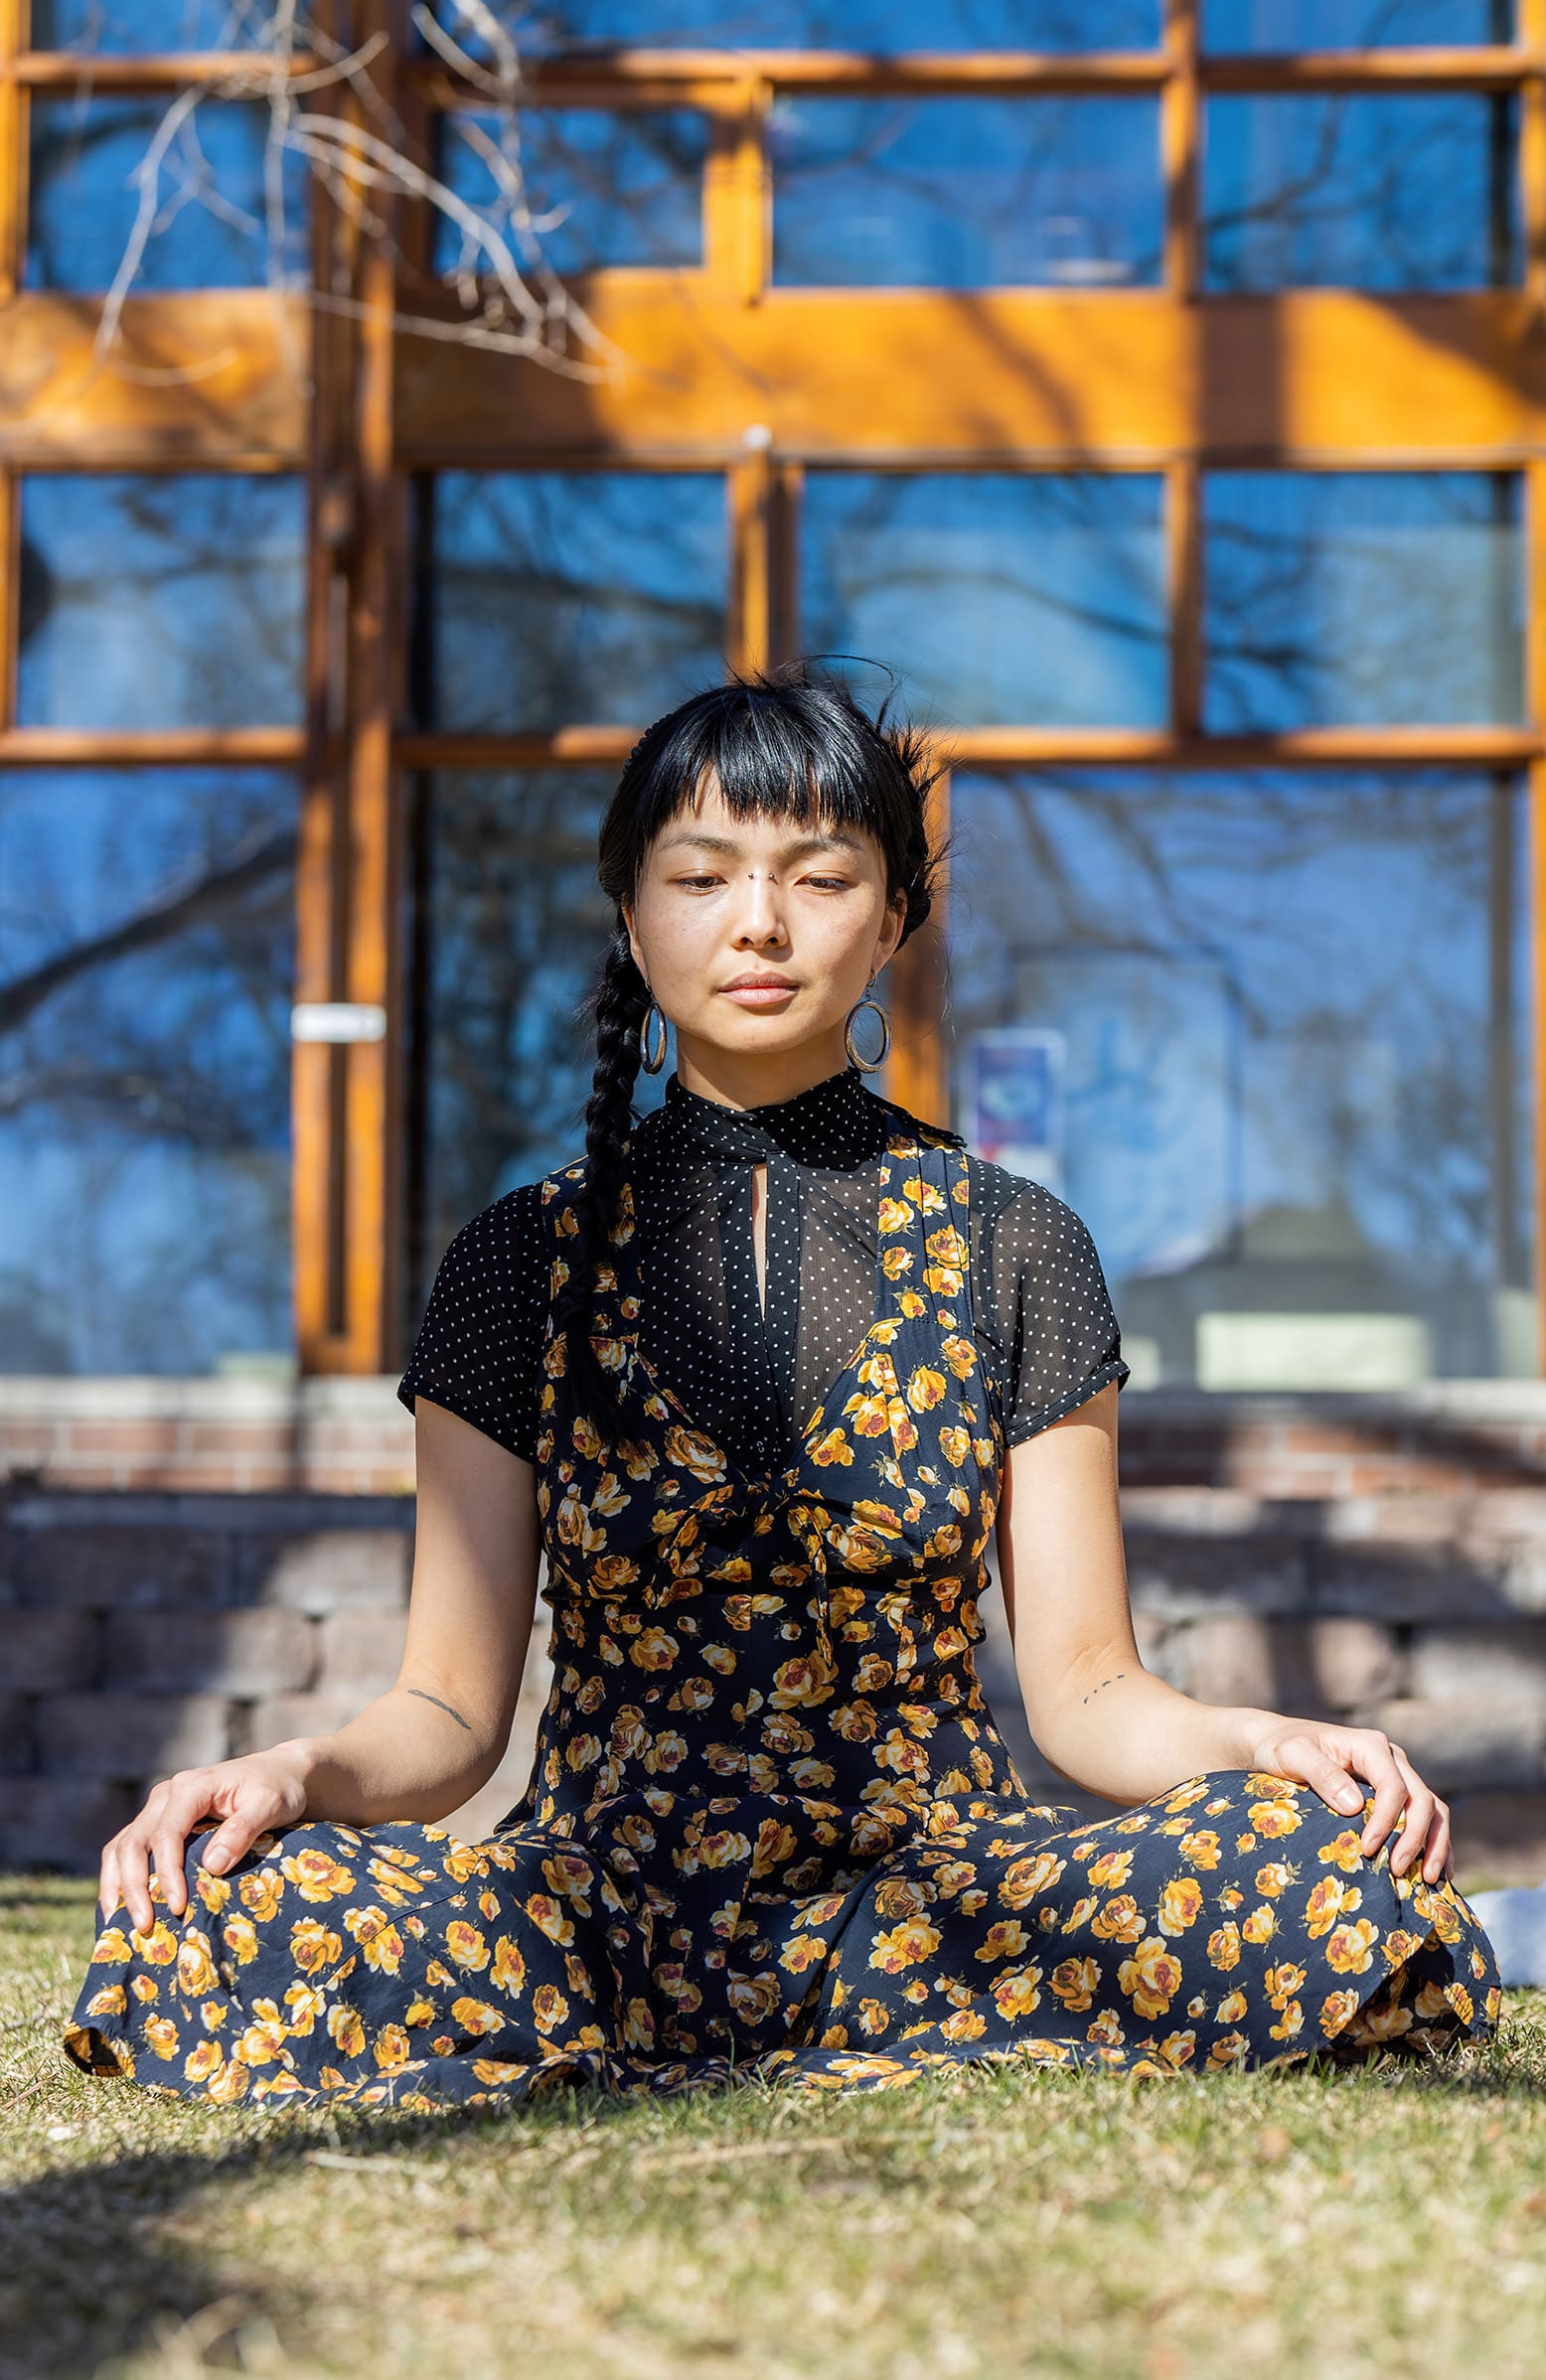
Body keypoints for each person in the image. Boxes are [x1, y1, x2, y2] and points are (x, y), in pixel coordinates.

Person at [63, 663, 1500, 2110]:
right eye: (703, 875)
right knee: (204, 1920)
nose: (759, 922)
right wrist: (293, 1774)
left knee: (1324, 1877)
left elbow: (1087, 1693)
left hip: (951, 1914)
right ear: (633, 914)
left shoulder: (1020, 1244)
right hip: (589, 1922)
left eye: (819, 877)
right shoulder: (519, 1261)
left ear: (890, 920)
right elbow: (445, 1707)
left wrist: (1268, 1744)